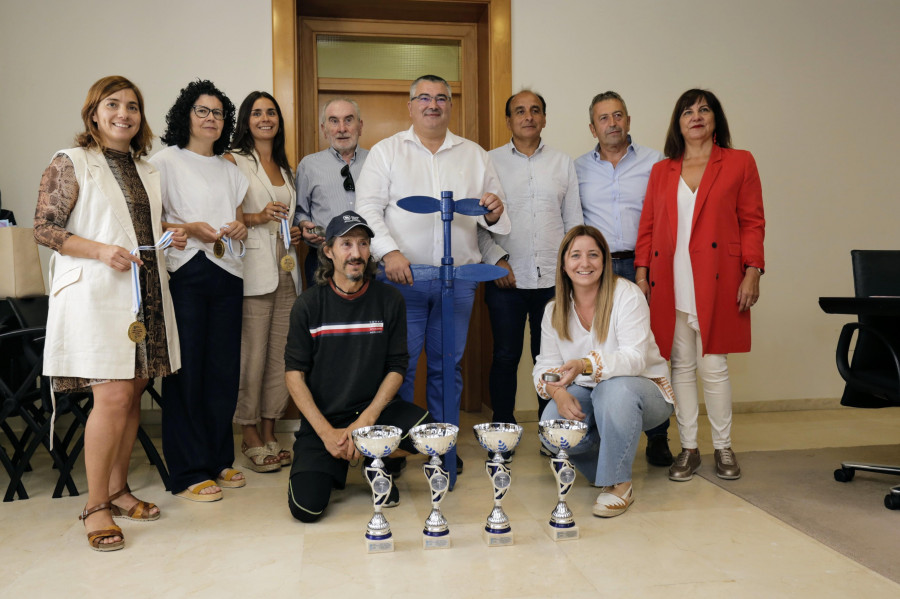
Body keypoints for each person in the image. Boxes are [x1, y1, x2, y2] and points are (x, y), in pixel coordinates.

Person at [34, 75, 187, 550]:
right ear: (94, 112)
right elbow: (44, 227)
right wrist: (100, 251)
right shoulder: (71, 160)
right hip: (98, 292)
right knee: (114, 398)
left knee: (135, 392)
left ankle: (119, 489)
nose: (124, 113)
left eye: (133, 106)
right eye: (113, 104)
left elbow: (137, 223)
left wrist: (170, 233)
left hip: (145, 290)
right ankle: (95, 504)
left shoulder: (146, 168)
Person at [356, 75, 510, 472]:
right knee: (399, 368)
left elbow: (496, 216)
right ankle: (397, 450)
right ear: (410, 106)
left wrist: (493, 208)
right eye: (423, 98)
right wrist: (389, 252)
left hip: (457, 282)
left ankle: (444, 448)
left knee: (448, 366)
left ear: (450, 107)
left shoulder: (474, 155)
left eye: (441, 98)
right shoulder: (387, 152)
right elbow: (367, 210)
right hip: (401, 282)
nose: (432, 104)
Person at [635, 89, 765, 482]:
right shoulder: (663, 170)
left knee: (714, 366)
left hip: (719, 278)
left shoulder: (739, 162)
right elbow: (649, 225)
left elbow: (753, 221)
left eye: (704, 109)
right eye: (687, 111)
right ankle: (689, 448)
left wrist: (753, 270)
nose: (696, 116)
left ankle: (723, 447)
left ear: (715, 119)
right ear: (678, 123)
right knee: (681, 367)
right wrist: (641, 275)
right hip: (670, 278)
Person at [285, 211, 431, 522]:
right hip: (324, 420)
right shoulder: (308, 305)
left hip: (373, 414)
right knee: (307, 509)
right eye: (347, 244)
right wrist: (326, 433)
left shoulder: (389, 299)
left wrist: (364, 424)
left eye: (363, 244)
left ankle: (372, 458)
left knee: (428, 435)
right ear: (328, 251)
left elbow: (397, 366)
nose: (356, 253)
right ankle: (338, 456)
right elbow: (293, 375)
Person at [151, 80, 249, 501]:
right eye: (202, 111)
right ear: (186, 115)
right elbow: (148, 225)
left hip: (228, 272)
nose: (211, 119)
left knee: (223, 371)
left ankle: (219, 458)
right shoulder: (163, 162)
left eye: (218, 113)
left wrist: (241, 226)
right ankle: (190, 469)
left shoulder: (231, 170)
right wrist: (188, 228)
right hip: (186, 272)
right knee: (187, 370)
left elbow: (241, 220)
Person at [534, 226, 674, 518]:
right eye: (576, 255)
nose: (584, 263)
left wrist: (586, 364)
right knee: (551, 425)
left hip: (644, 390)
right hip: (590, 393)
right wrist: (558, 393)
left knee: (613, 390)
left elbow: (635, 360)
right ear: (563, 264)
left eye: (593, 255)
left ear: (605, 260)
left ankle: (619, 483)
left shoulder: (628, 295)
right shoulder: (553, 310)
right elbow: (545, 367)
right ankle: (608, 461)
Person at [574, 91, 673, 467]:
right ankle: (605, 431)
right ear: (592, 127)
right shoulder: (578, 167)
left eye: (618, 116)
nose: (612, 123)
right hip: (597, 268)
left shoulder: (655, 163)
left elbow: (665, 218)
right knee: (603, 342)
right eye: (604, 118)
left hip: (646, 266)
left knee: (651, 349)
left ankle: (658, 437)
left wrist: (648, 269)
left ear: (628, 120)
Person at [480, 90, 582, 427]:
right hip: (505, 277)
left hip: (554, 282)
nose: (528, 117)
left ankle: (550, 428)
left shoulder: (562, 162)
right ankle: (503, 430)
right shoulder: (489, 162)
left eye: (535, 110)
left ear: (544, 118)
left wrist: (573, 273)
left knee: (552, 359)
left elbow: (574, 223)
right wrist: (495, 259)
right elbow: (477, 222)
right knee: (506, 357)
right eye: (520, 111)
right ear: (508, 120)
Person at [226, 92, 300, 473]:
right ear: (246, 120)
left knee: (281, 355)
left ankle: (271, 428)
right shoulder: (233, 161)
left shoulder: (287, 168)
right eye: (257, 113)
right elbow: (229, 218)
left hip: (287, 268)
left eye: (271, 112)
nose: (265, 118)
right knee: (251, 355)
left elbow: (287, 214)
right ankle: (249, 431)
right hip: (254, 270)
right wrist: (258, 217)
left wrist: (295, 233)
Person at [295, 98, 368, 289]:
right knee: (323, 318)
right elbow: (299, 212)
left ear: (360, 126)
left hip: (368, 260)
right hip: (322, 261)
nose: (341, 128)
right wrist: (304, 226)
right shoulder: (309, 165)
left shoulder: (377, 161)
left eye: (348, 120)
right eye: (334, 121)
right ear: (324, 129)